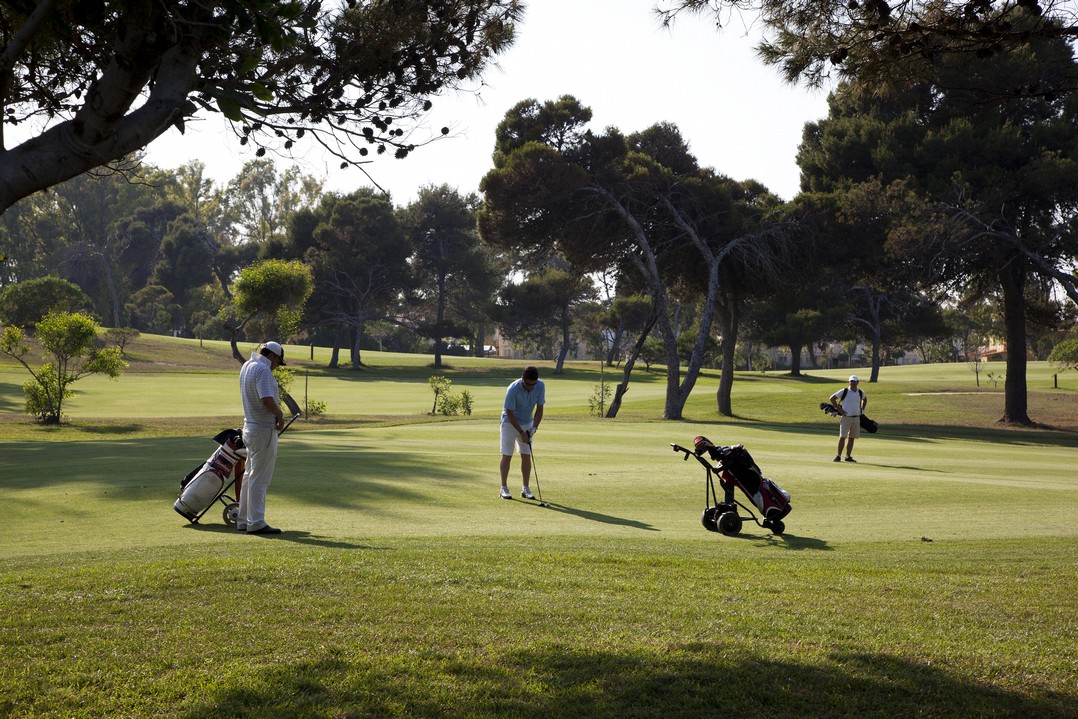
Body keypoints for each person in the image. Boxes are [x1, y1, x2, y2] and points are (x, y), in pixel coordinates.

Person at [237, 341, 288, 534]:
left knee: (250, 476)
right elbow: (266, 399)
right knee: (260, 478)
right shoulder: (264, 370)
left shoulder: (247, 365)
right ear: (273, 356)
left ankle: (244, 520)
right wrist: (280, 416)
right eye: (278, 362)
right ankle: (256, 522)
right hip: (263, 430)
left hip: (249, 428)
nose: (276, 367)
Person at [499, 366, 545, 500]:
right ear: (522, 378)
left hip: (527, 422)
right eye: (528, 384)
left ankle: (525, 488)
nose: (531, 387)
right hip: (509, 422)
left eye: (533, 384)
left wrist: (533, 428)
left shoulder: (540, 386)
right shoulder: (513, 389)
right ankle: (504, 488)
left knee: (526, 455)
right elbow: (509, 412)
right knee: (507, 454)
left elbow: (540, 409)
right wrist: (521, 431)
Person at [829, 374, 867, 463]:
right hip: (846, 417)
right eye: (851, 381)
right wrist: (839, 410)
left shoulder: (860, 392)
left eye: (854, 381)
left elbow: (865, 399)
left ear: (858, 382)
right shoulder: (844, 391)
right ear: (849, 382)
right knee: (842, 436)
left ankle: (848, 456)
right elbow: (832, 399)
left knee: (852, 437)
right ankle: (838, 456)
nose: (852, 383)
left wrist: (862, 409)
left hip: (856, 418)